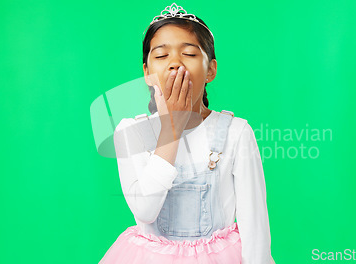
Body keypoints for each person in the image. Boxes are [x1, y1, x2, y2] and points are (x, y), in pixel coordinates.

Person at [98, 3, 275, 263]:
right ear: (147, 73)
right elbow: (146, 211)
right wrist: (172, 126)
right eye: (161, 56)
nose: (175, 65)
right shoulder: (130, 132)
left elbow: (255, 228)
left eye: (189, 54)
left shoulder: (236, 132)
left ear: (210, 70)